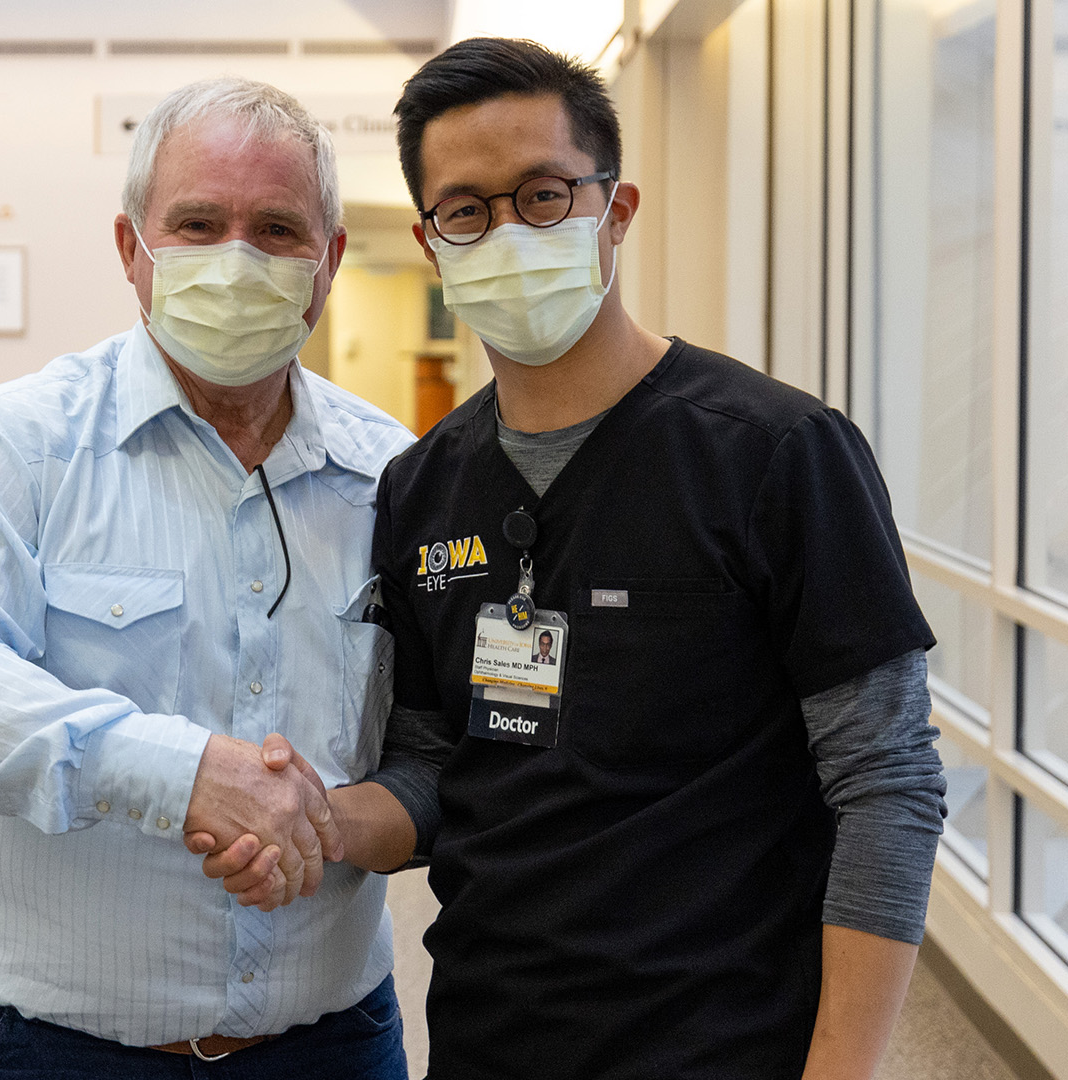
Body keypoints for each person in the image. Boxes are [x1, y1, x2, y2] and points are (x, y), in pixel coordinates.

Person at [213, 39, 946, 1080]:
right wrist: (314, 820)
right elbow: (431, 768)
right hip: (489, 1037)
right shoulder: (423, 489)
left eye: (545, 195)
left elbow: (888, 782)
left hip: (725, 1045)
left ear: (617, 209)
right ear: (432, 244)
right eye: (468, 210)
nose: (507, 231)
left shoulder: (774, 455)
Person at [0, 77, 415, 1080]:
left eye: (278, 230)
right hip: (55, 1050)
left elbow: (437, 738)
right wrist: (183, 772)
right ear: (132, 249)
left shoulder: (396, 475)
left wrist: (320, 820)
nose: (236, 260)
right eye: (197, 224)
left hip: (334, 1044)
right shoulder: (16, 448)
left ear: (329, 261)